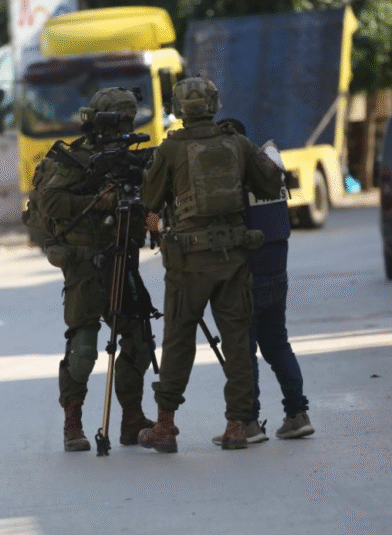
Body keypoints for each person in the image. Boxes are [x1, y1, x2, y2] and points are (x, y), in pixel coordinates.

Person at [138, 77, 283, 453]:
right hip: (233, 258)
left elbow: (149, 199)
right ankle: (237, 426)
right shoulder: (237, 143)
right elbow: (270, 184)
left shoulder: (171, 149)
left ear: (178, 110)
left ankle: (165, 427)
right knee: (237, 343)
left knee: (178, 343)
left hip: (188, 263)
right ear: (214, 105)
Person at [39, 87, 158, 452]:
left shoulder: (129, 159)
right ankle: (72, 423)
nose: (125, 127)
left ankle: (131, 419)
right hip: (85, 262)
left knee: (139, 339)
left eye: (129, 120)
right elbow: (50, 201)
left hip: (122, 257)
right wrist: (98, 201)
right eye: (119, 120)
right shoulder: (74, 159)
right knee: (84, 348)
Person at [209, 118, 314, 444]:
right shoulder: (271, 174)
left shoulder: (234, 181)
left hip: (246, 279)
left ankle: (248, 422)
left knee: (243, 352)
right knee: (278, 346)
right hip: (277, 273)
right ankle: (298, 415)